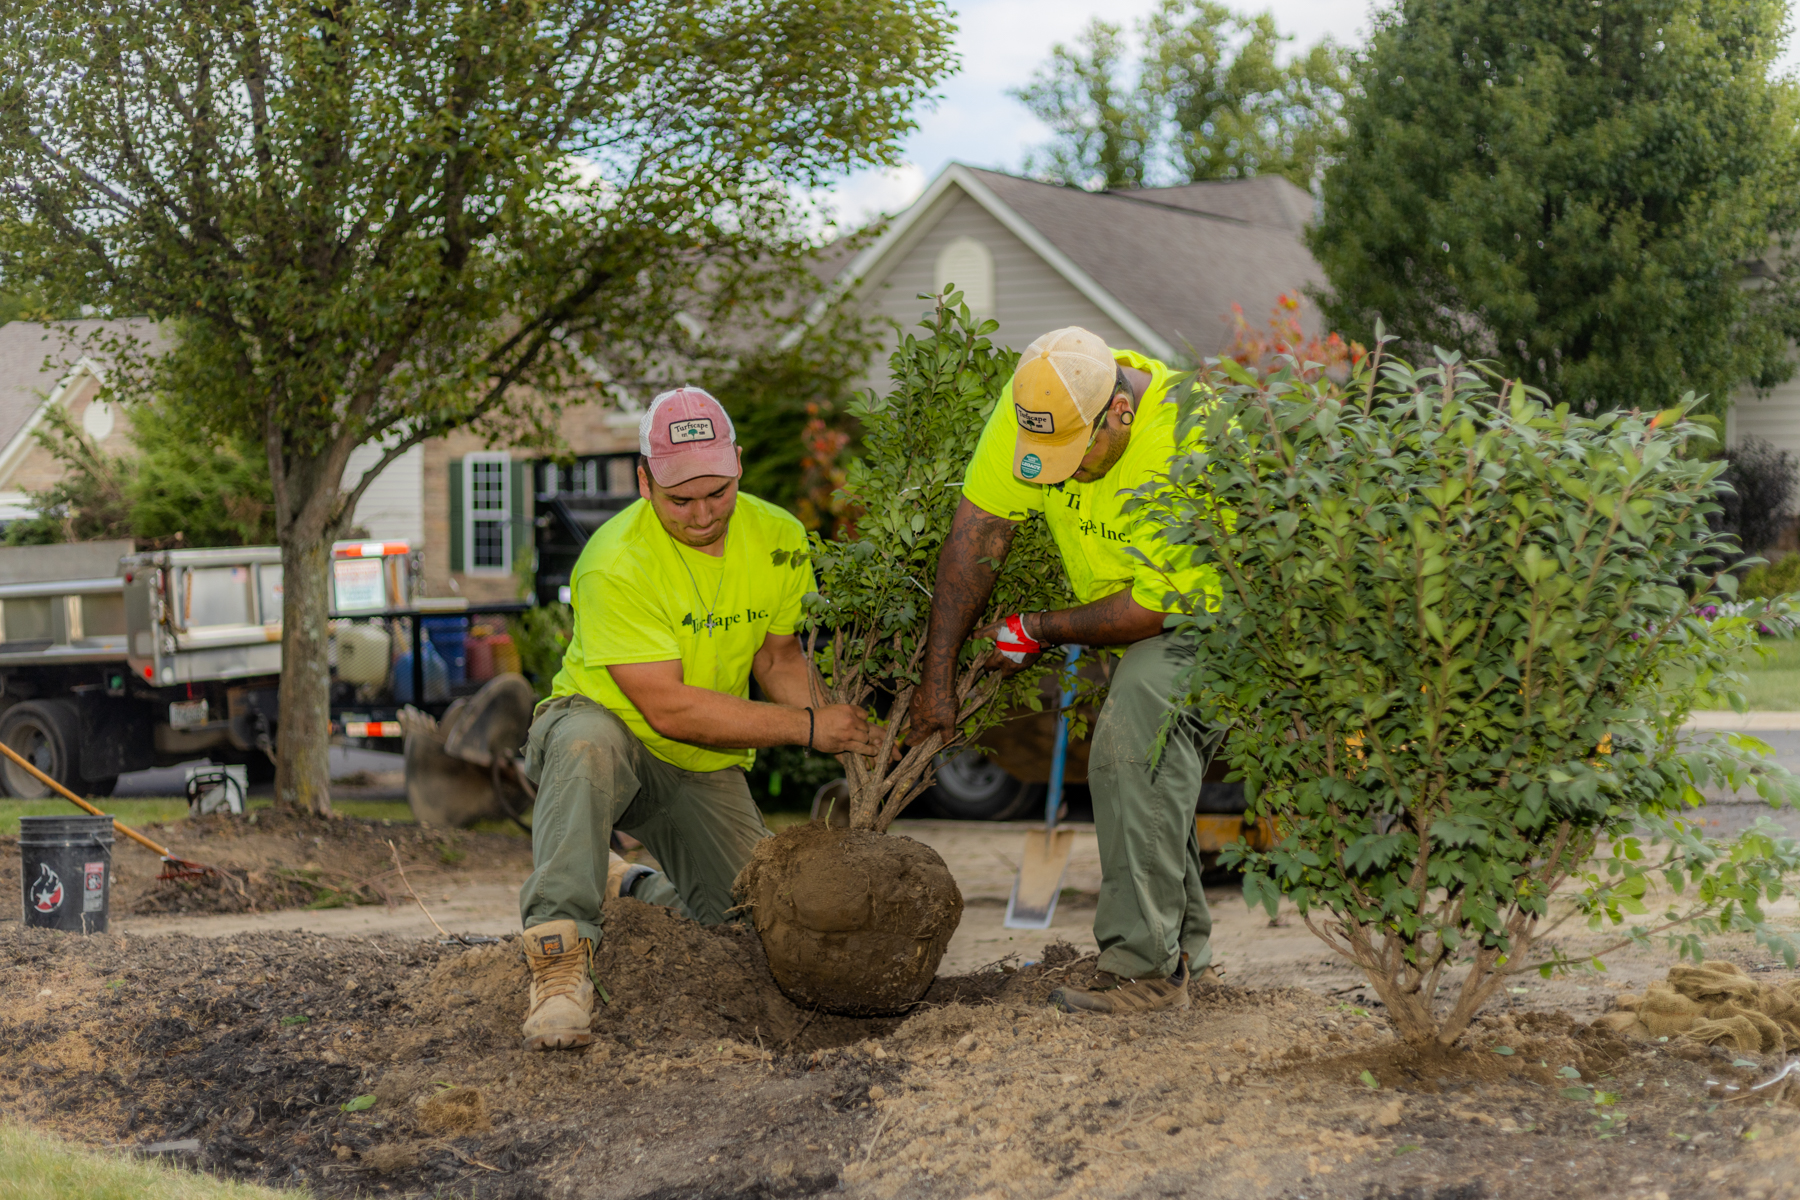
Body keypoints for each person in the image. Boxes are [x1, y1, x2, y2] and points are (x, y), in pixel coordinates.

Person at [516, 386, 881, 1050]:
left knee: (756, 931)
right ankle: (560, 958)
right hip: (611, 733)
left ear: (739, 464)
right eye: (679, 498)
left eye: (718, 492)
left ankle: (627, 885)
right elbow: (668, 707)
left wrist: (840, 723)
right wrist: (803, 730)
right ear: (643, 480)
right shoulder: (615, 561)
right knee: (585, 743)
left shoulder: (778, 538)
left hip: (699, 761)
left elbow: (777, 659)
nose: (702, 513)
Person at [910, 327, 1220, 1015]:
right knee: (1146, 768)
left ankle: (1147, 973)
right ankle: (1184, 949)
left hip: (1217, 623)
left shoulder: (1190, 435)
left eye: (1075, 457)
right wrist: (937, 675)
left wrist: (1036, 629)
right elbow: (978, 532)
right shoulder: (1038, 399)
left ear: (1119, 412)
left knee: (1129, 745)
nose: (1062, 471)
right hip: (1131, 623)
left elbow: (1155, 605)